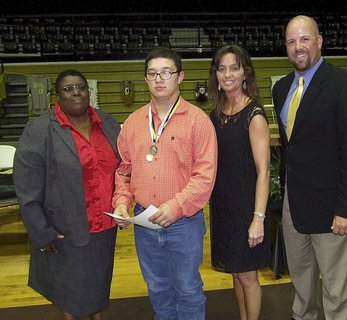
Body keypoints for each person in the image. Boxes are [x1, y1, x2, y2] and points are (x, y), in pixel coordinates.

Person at [272, 15, 347, 320]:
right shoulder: (281, 90)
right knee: (302, 286)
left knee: (338, 289)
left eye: (305, 39)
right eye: (291, 41)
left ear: (320, 41)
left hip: (334, 209)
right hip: (294, 206)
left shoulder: (346, 84)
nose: (298, 47)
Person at [112, 47, 217, 320]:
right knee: (157, 287)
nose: (159, 78)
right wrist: (122, 205)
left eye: (166, 72)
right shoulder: (133, 124)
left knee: (187, 288)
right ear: (146, 79)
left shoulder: (198, 122)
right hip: (144, 223)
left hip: (184, 223)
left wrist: (176, 207)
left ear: (180, 76)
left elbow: (205, 177)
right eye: (153, 73)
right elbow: (124, 172)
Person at [13, 69, 120, 320]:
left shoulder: (108, 123)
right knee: (69, 295)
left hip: (104, 226)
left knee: (98, 286)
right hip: (65, 229)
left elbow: (123, 168)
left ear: (89, 91)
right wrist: (41, 232)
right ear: (56, 96)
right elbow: (27, 187)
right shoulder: (39, 130)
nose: (76, 93)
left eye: (81, 87)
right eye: (68, 89)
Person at [208, 44, 271, 320]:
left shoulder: (253, 115)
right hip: (224, 208)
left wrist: (258, 217)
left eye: (234, 68)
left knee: (247, 276)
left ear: (245, 72)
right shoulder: (216, 114)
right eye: (222, 69)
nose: (228, 74)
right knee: (235, 272)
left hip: (247, 208)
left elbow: (264, 170)